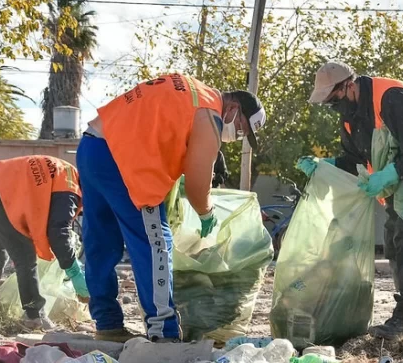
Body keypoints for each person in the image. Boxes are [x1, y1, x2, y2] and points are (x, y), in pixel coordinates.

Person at [78, 73, 265, 343]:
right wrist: (206, 213)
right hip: (128, 165)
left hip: (93, 146)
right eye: (242, 129)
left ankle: (107, 324)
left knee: (101, 241)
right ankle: (163, 331)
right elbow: (197, 186)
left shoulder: (192, 89)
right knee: (156, 242)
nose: (238, 136)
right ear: (234, 109)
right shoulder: (210, 114)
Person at [298, 62, 403, 340]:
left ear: (348, 86)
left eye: (334, 99)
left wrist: (388, 174)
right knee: (392, 238)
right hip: (401, 171)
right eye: (328, 103)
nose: (333, 107)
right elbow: (354, 160)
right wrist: (324, 165)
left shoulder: (391, 98)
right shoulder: (350, 117)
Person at [0, 155, 86, 330]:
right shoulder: (69, 189)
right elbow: (58, 232)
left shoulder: (66, 173)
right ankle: (34, 316)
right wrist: (75, 272)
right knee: (25, 255)